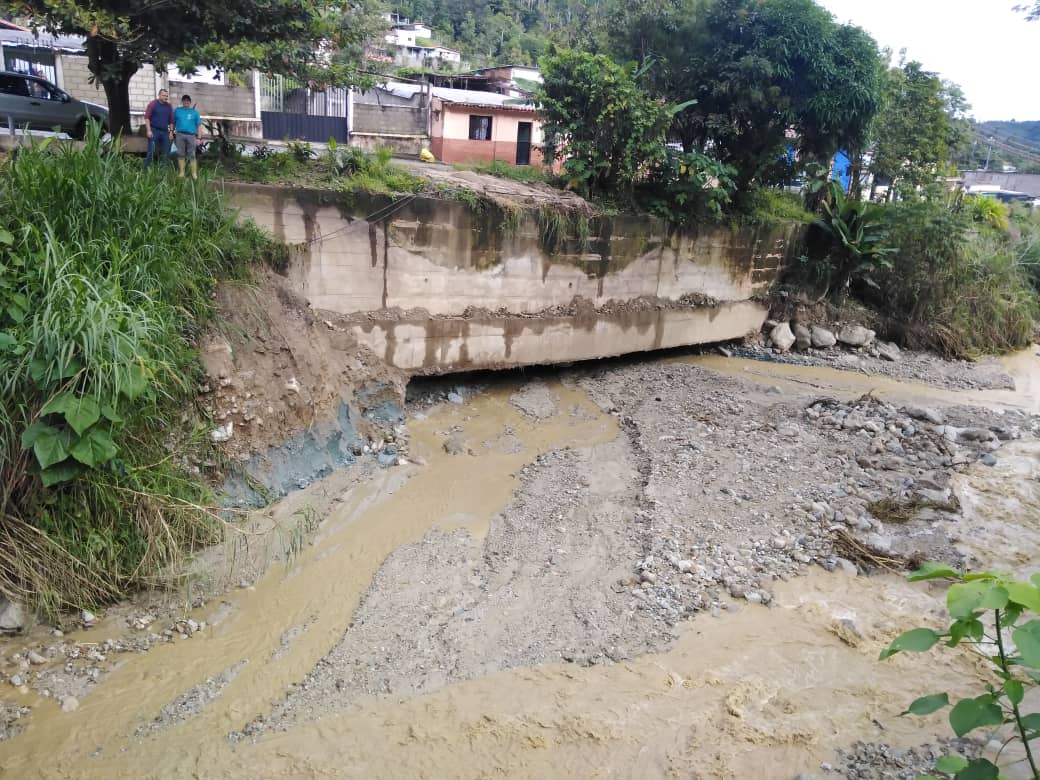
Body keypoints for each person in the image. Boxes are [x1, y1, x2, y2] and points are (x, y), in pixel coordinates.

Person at [173, 94, 204, 179]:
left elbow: (199, 126)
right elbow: (173, 123)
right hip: (180, 135)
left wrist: (199, 138)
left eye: (188, 101)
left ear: (190, 102)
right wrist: (171, 132)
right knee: (180, 154)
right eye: (184, 100)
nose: (186, 102)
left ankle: (194, 174)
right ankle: (182, 172)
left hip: (191, 136)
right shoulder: (177, 111)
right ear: (182, 102)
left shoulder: (194, 112)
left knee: (192, 155)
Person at [144, 89, 173, 169]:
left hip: (165, 132)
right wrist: (149, 130)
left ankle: (162, 170)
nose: (166, 97)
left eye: (167, 96)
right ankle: (147, 169)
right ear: (159, 95)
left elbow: (171, 121)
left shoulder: (169, 106)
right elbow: (147, 118)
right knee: (151, 150)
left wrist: (171, 132)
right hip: (154, 130)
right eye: (164, 95)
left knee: (166, 151)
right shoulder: (153, 104)